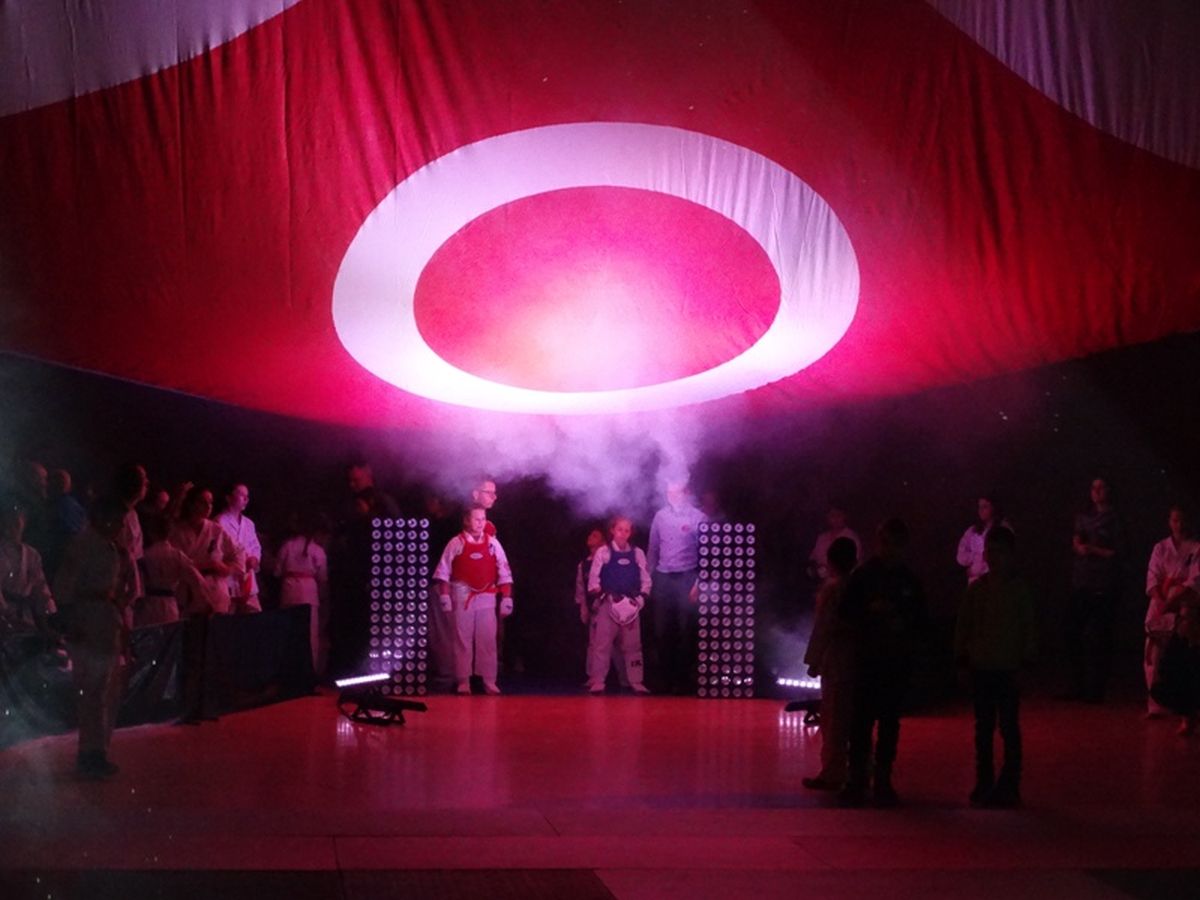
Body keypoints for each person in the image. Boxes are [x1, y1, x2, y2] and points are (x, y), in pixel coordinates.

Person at [838, 519, 927, 807]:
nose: (891, 550)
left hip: (894, 661)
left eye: (896, 544)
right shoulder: (865, 577)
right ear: (879, 543)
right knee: (862, 722)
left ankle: (881, 779)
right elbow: (845, 613)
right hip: (868, 659)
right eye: (887, 543)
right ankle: (858, 779)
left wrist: (901, 622)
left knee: (887, 723)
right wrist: (869, 612)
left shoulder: (908, 581)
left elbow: (920, 620)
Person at [53, 496, 139, 779]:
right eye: (118, 520)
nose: (120, 526)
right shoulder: (84, 545)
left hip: (103, 620)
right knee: (92, 691)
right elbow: (64, 587)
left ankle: (96, 750)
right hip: (89, 620)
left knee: (102, 690)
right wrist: (72, 621)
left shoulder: (108, 546)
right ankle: (91, 753)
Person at [954, 526, 1037, 808]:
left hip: (1007, 669)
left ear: (1011, 555)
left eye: (1000, 551)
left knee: (1006, 728)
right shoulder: (978, 590)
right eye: (991, 550)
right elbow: (963, 626)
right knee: (986, 729)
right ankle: (987, 781)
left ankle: (1006, 783)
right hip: (984, 668)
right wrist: (962, 659)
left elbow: (1028, 628)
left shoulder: (1017, 590)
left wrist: (1026, 663)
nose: (994, 556)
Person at [432, 505, 514, 695]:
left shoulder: (493, 543)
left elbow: (504, 571)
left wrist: (506, 597)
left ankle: (489, 680)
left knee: (488, 639)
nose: (480, 523)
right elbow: (444, 571)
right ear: (466, 520)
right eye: (477, 519)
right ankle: (463, 681)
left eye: (483, 519)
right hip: (462, 592)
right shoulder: (455, 543)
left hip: (487, 593)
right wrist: (444, 595)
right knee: (462, 638)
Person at [802, 536, 859, 791]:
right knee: (855, 720)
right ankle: (859, 770)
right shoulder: (859, 587)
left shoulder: (832, 590)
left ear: (830, 562)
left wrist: (813, 660)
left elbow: (823, 628)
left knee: (833, 720)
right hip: (857, 662)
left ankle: (833, 773)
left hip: (836, 662)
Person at [1065, 477, 1125, 702]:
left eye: (1101, 487)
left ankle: (1097, 689)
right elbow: (1077, 540)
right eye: (1093, 487)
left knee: (1100, 637)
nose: (1096, 491)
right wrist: (1078, 545)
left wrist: (1093, 549)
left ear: (1110, 490)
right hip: (1082, 582)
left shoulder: (1115, 519)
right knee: (1071, 631)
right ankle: (1078, 685)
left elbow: (1118, 553)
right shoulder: (1083, 517)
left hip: (1104, 584)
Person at [647, 480, 706, 694]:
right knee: (662, 630)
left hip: (687, 578)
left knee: (686, 630)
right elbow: (653, 549)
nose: (672, 495)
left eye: (676, 492)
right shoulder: (660, 516)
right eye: (669, 492)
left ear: (686, 492)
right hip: (663, 577)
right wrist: (649, 580)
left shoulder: (698, 517)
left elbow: (707, 554)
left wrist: (699, 584)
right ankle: (665, 679)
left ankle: (683, 680)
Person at [585, 516, 651, 694]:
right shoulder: (603, 552)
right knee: (602, 645)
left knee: (633, 647)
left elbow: (646, 580)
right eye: (620, 529)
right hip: (608, 604)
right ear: (612, 531)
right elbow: (593, 582)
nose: (623, 533)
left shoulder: (637, 553)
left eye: (627, 530)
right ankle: (598, 680)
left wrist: (640, 599)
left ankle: (636, 681)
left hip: (632, 606)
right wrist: (607, 596)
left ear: (630, 533)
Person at [1144, 506, 1197, 717]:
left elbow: (1194, 581)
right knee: (1153, 655)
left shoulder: (1196, 548)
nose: (1179, 525)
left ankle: (1183, 708)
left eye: (1182, 520)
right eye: (1175, 520)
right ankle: (1155, 705)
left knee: (1182, 657)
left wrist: (1176, 596)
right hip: (1161, 604)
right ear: (1169, 522)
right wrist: (1163, 599)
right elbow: (1152, 577)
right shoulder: (1160, 548)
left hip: (1185, 607)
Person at [168, 486, 243, 615]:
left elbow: (238, 556)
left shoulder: (216, 530)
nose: (208, 506)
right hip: (186, 591)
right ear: (191, 504)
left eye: (210, 502)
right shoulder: (177, 531)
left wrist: (222, 567)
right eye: (203, 502)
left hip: (214, 590)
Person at [274, 512, 330, 675]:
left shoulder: (287, 546)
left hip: (289, 590)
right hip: (309, 592)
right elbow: (323, 578)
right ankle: (309, 671)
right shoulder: (318, 551)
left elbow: (277, 571)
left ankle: (287, 671)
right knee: (310, 634)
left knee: (288, 632)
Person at [135, 514, 207, 628]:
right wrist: (197, 604)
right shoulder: (177, 556)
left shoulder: (144, 555)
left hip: (148, 606)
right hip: (169, 606)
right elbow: (198, 581)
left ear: (150, 532)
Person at [0, 502, 56, 633]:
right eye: (8, 522)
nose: (11, 527)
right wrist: (7, 614)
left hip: (25, 618)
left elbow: (40, 589)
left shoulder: (32, 555)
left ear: (24, 522)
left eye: (16, 522)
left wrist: (47, 620)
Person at [1150, 593, 1200, 736]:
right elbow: (1166, 668)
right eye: (1183, 618)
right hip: (1186, 684)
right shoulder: (1177, 643)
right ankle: (1188, 717)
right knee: (1165, 688)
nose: (1186, 622)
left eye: (1189, 618)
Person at [216, 483, 263, 614]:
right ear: (229, 498)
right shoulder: (220, 521)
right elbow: (218, 551)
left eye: (247, 496)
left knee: (254, 617)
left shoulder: (249, 524)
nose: (246, 499)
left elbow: (255, 547)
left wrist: (254, 559)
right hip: (228, 578)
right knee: (227, 618)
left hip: (248, 579)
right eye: (241, 495)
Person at [956, 495, 1005, 585]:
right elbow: (960, 556)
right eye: (979, 507)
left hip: (995, 581)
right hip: (975, 582)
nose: (981, 510)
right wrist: (976, 558)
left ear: (993, 507)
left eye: (985, 506)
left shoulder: (1003, 529)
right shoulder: (972, 531)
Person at [808, 506, 861, 582]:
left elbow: (853, 563)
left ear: (845, 516)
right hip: (820, 581)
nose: (836, 519)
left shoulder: (851, 537)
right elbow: (813, 558)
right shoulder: (822, 537)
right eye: (832, 516)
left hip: (842, 582)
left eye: (839, 515)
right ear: (827, 518)